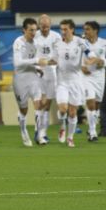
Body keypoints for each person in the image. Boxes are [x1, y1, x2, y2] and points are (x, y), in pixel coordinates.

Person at [49, 19, 85, 148]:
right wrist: (50, 62)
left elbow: (88, 53)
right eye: (61, 29)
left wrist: (90, 59)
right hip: (62, 81)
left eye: (65, 29)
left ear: (72, 29)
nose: (63, 32)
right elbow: (53, 58)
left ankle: (70, 138)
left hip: (75, 81)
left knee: (73, 112)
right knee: (63, 109)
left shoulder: (80, 42)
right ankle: (63, 126)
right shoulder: (57, 44)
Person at [12, 18, 47, 147]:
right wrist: (37, 61)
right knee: (24, 110)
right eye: (31, 30)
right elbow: (18, 63)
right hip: (20, 79)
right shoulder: (18, 42)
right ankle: (23, 131)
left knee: (38, 104)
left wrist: (38, 69)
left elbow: (34, 61)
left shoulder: (36, 43)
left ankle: (39, 134)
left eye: (35, 29)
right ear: (24, 30)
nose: (33, 32)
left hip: (33, 77)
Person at [80, 21, 106, 142]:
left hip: (100, 77)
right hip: (86, 77)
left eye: (88, 29)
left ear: (95, 30)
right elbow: (75, 57)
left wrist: (103, 62)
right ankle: (93, 133)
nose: (85, 31)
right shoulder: (82, 43)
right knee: (90, 102)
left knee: (97, 105)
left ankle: (90, 128)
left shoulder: (104, 43)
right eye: (85, 29)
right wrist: (81, 67)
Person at [33, 14, 61, 144]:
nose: (45, 28)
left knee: (48, 104)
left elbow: (58, 56)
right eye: (43, 26)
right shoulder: (34, 36)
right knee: (40, 103)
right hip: (38, 72)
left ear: (50, 25)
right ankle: (39, 132)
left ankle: (42, 132)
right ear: (39, 25)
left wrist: (50, 62)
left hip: (51, 72)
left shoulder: (56, 37)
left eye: (47, 26)